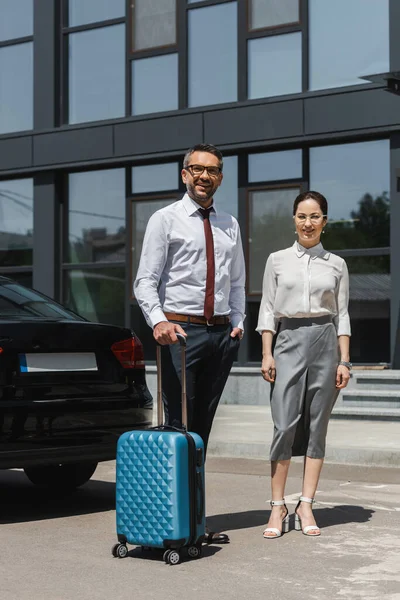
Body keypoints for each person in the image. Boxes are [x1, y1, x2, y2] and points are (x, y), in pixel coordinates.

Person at [134, 143, 246, 544]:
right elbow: (145, 279)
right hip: (179, 334)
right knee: (179, 426)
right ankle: (174, 521)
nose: (205, 176)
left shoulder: (230, 223)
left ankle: (194, 521)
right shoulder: (165, 220)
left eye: (213, 170)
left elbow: (236, 282)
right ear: (184, 174)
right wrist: (159, 321)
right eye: (197, 169)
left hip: (220, 335)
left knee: (202, 431)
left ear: (220, 177)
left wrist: (237, 322)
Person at [257, 190, 351, 539]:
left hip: (326, 342)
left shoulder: (337, 264)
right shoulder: (277, 260)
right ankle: (277, 506)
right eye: (302, 216)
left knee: (317, 425)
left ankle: (306, 503)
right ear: (294, 220)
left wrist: (345, 360)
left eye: (315, 217)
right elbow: (267, 309)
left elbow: (342, 315)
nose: (308, 223)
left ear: (324, 221)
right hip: (287, 341)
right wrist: (267, 353)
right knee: (284, 425)